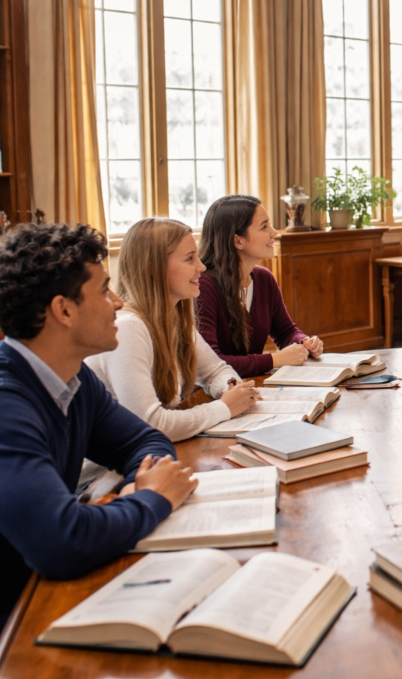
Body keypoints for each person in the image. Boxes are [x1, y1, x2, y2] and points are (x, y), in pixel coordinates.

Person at [0, 223, 198, 628]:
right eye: (105, 290)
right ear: (64, 311)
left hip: (44, 592)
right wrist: (152, 497)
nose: (118, 303)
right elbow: (62, 542)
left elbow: (145, 440)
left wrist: (140, 481)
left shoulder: (74, 377)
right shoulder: (7, 405)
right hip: (17, 619)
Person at [85, 219, 260, 442]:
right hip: (117, 462)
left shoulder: (174, 320)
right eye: (189, 258)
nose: (201, 267)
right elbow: (151, 424)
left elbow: (216, 371)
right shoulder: (128, 328)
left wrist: (230, 388)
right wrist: (225, 407)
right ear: (155, 268)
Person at [195, 194, 324, 378]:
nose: (274, 232)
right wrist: (275, 360)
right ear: (238, 241)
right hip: (213, 393)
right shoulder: (203, 288)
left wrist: (303, 342)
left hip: (251, 386)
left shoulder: (264, 279)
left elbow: (286, 332)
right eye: (264, 227)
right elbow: (212, 365)